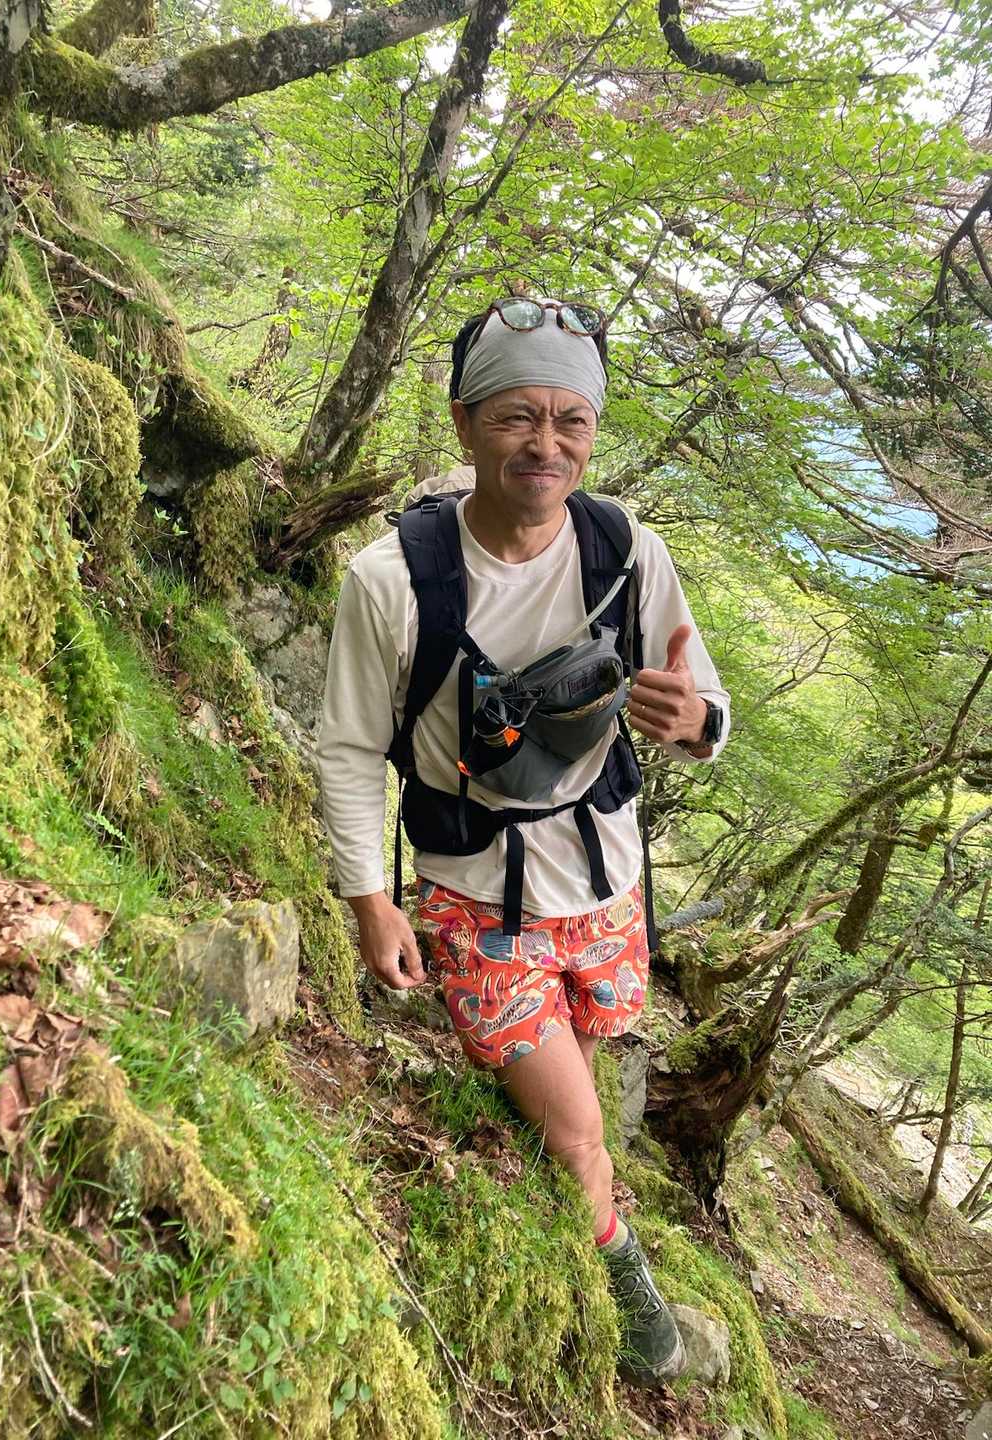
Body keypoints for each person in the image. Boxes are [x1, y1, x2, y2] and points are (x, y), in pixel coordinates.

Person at [316, 296, 730, 1385]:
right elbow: (351, 748)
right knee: (580, 1130)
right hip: (472, 893)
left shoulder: (626, 552)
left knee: (577, 1083)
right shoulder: (392, 581)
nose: (546, 445)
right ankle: (622, 1285)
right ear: (464, 423)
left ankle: (563, 1200)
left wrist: (698, 720)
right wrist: (369, 899)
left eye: (570, 420)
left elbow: (705, 699)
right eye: (515, 417)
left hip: (606, 878)